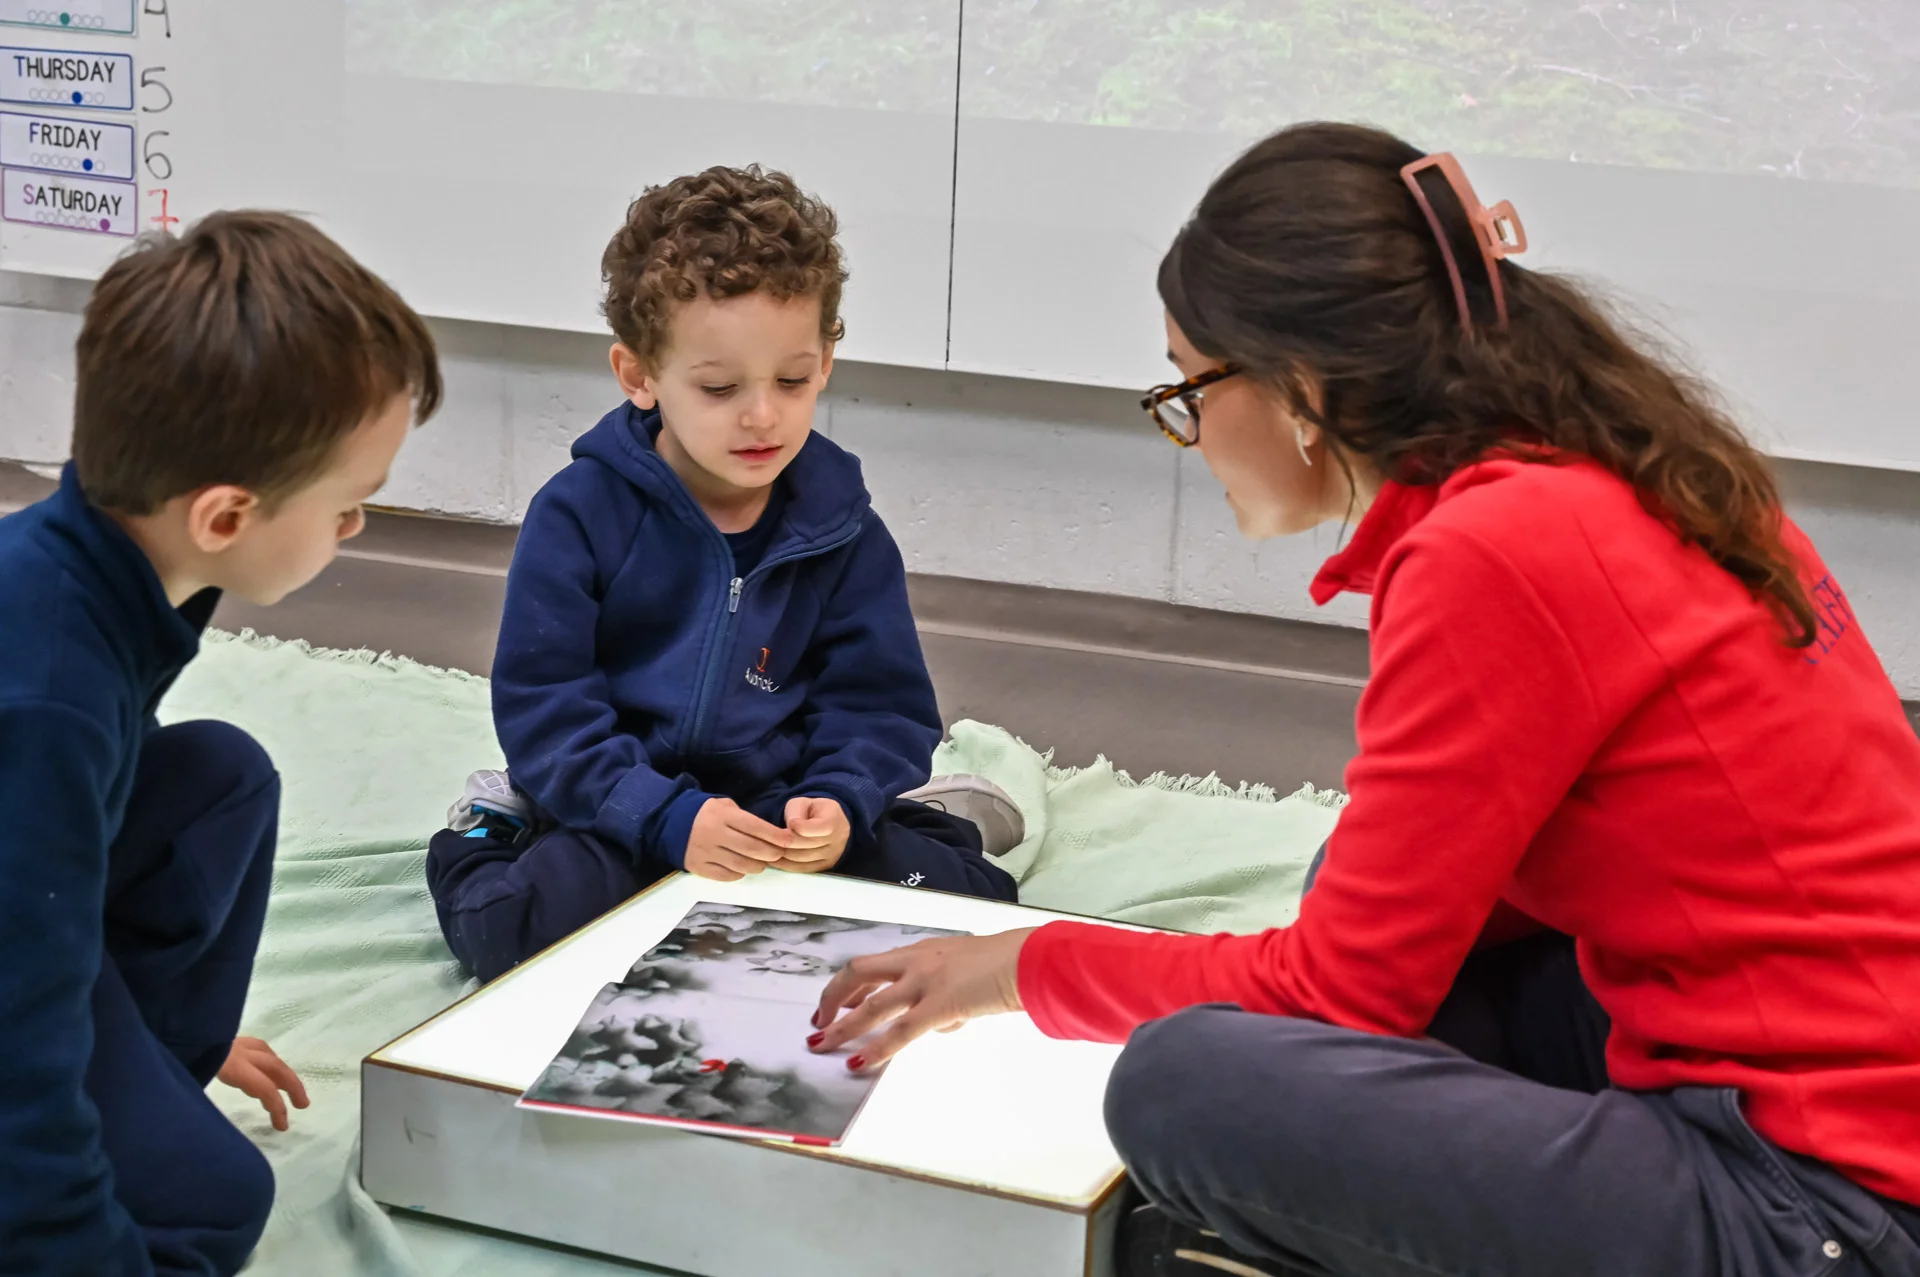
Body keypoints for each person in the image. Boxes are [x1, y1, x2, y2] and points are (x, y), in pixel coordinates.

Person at [806, 123, 1920, 1277]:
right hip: (1833, 1089)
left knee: (1184, 1082)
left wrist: (1011, 969)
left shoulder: (1494, 549)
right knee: (1385, 938)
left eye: (1189, 385)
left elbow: (1344, 988)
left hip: (1826, 1199)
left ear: (1302, 391)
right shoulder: (1613, 458)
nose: (1187, 431)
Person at [426, 165, 1021, 986]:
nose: (763, 416)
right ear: (639, 376)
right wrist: (665, 816)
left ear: (827, 361)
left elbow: (880, 703)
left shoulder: (841, 525)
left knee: (973, 909)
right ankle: (491, 828)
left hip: (778, 809)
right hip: (620, 812)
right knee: (516, 936)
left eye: (793, 379)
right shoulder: (577, 514)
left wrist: (842, 803)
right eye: (718, 387)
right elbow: (546, 714)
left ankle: (933, 822)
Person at [0, 213, 442, 1274]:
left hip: (31, 908)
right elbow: (18, 1024)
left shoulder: (107, 565)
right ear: (227, 515)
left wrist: (148, 1065)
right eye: (347, 507)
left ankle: (140, 1084)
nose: (356, 533)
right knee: (215, 1199)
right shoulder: (47, 690)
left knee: (217, 778)